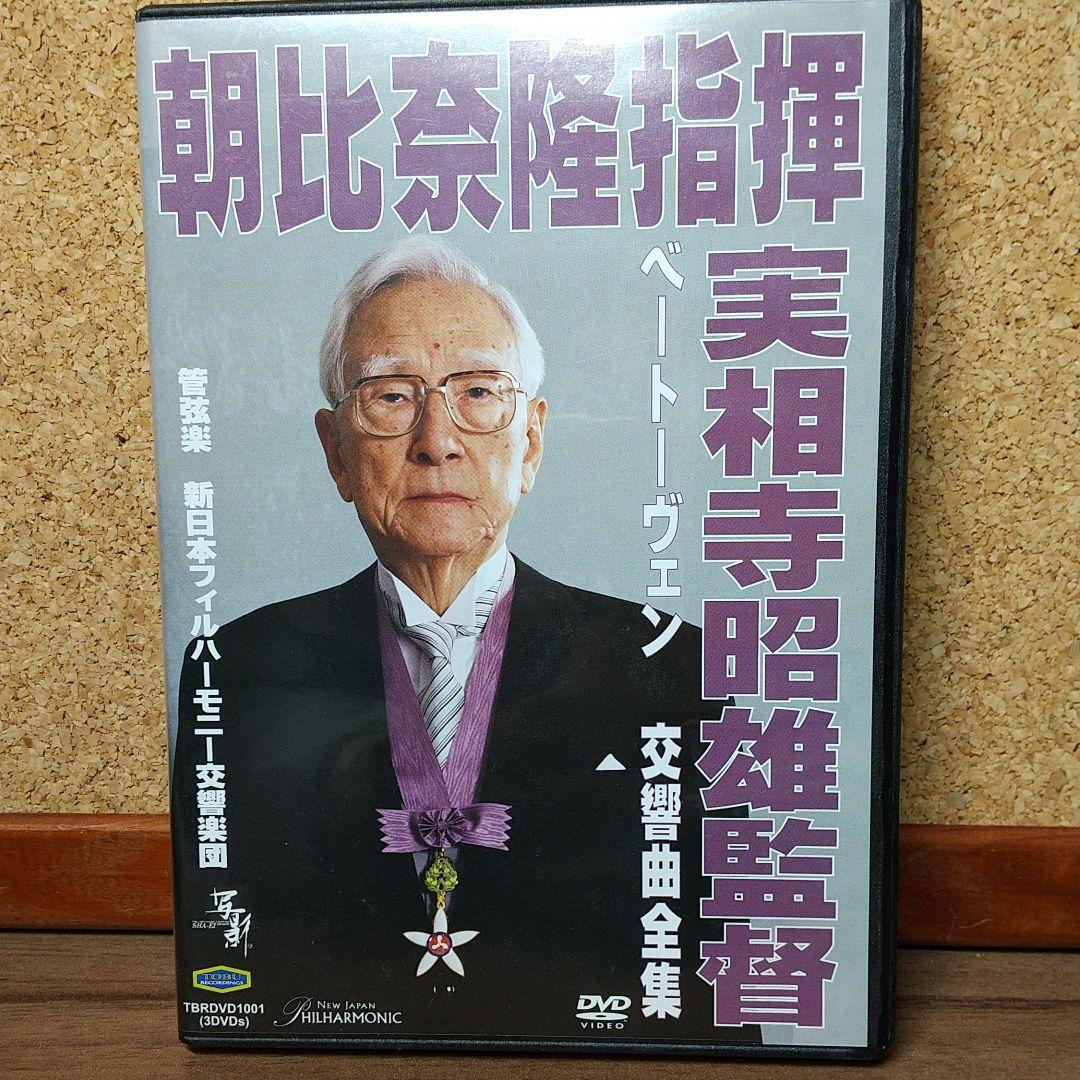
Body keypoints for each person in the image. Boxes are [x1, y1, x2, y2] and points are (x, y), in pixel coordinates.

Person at [173, 237, 755, 1044]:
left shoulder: (671, 666)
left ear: (532, 442)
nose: (437, 439)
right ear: (336, 451)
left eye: (479, 392)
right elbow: (231, 959)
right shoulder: (240, 669)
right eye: (390, 396)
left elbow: (718, 983)